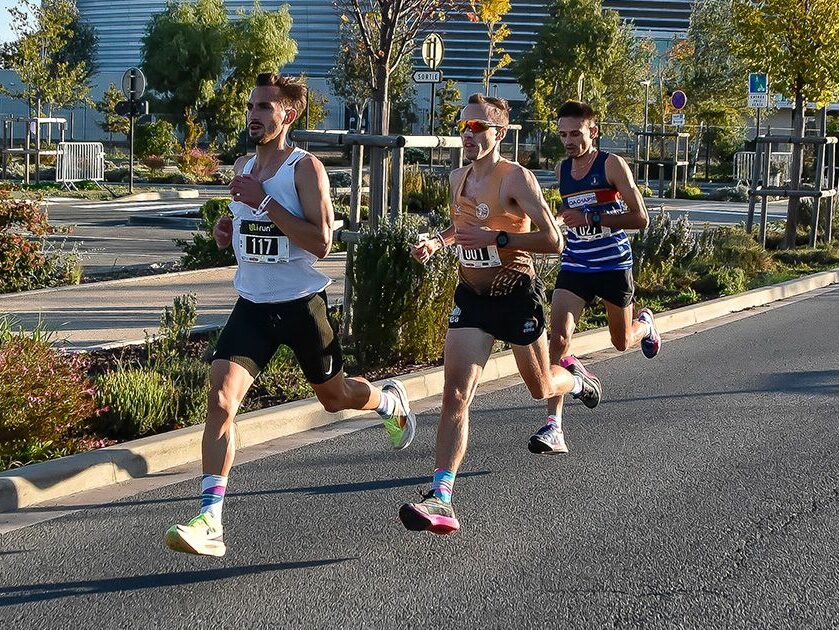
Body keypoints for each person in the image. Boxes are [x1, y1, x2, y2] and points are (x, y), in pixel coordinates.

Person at [164, 73, 416, 556]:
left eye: (264, 107)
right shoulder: (243, 164)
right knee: (220, 401)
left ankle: (387, 403)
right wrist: (229, 229)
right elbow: (254, 229)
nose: (254, 115)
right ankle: (210, 520)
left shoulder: (306, 169)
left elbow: (320, 242)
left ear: (288, 115)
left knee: (335, 398)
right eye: (251, 106)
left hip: (302, 306)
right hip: (252, 307)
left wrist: (262, 202)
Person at [399, 94, 602, 535]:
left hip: (515, 295)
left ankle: (579, 379)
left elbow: (553, 241)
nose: (468, 135)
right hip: (472, 298)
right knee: (455, 395)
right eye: (463, 127)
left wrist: (499, 240)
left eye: (478, 128)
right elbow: (463, 224)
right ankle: (442, 497)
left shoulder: (517, 179)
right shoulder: (458, 177)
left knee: (541, 386)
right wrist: (439, 241)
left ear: (500, 133)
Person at [528, 100, 660, 456]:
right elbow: (572, 212)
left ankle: (645, 325)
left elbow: (641, 218)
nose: (569, 141)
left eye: (575, 133)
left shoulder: (611, 164)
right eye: (563, 135)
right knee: (558, 339)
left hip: (614, 265)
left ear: (593, 130)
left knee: (620, 341)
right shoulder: (562, 169)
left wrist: (594, 219)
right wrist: (562, 221)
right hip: (576, 264)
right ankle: (555, 427)